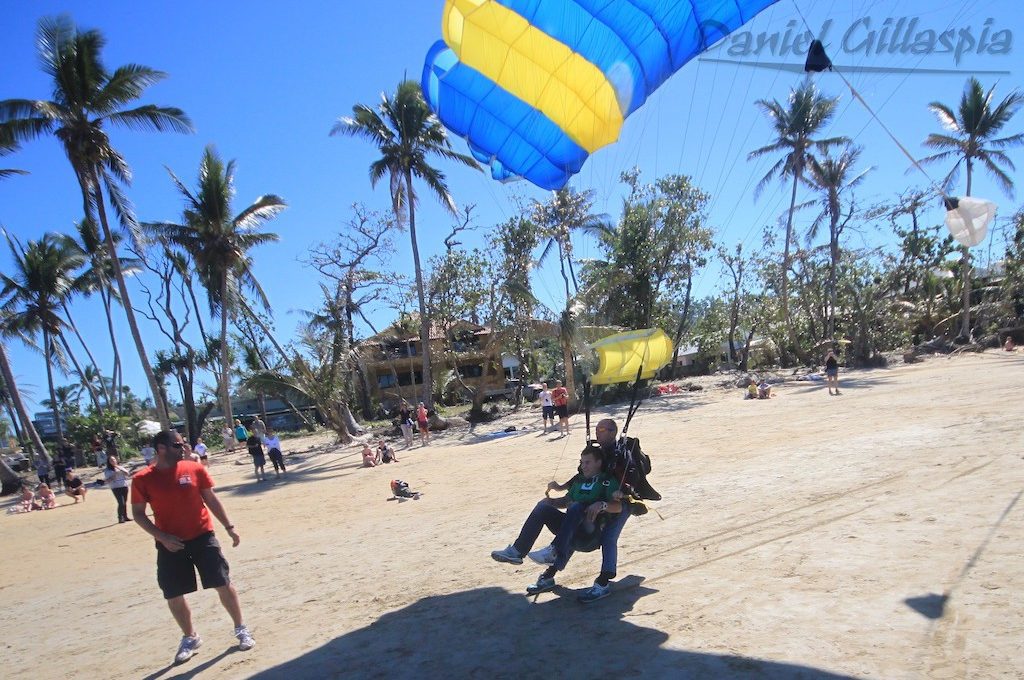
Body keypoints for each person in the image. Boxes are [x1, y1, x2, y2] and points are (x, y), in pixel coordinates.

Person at [131, 430, 254, 664]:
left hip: (202, 537)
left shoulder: (194, 469)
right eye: (178, 445)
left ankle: (241, 628)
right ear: (162, 448)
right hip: (170, 544)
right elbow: (138, 514)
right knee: (174, 594)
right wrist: (162, 537)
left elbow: (211, 499)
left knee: (223, 583)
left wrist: (229, 527)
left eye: (184, 444)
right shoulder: (142, 479)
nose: (184, 448)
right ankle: (190, 637)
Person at [491, 443, 622, 598]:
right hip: (570, 530)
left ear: (598, 463)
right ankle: (518, 551)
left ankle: (555, 551)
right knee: (542, 507)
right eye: (581, 462)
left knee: (576, 507)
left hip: (589, 534)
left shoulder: (607, 481)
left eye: (587, 462)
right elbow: (566, 500)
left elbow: (619, 507)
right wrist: (551, 502)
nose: (583, 466)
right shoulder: (579, 481)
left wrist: (603, 504)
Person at [104, 455, 132, 523]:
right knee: (121, 503)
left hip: (124, 486)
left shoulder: (120, 467)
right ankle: (120, 517)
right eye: (111, 460)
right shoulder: (107, 470)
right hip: (116, 487)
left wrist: (121, 470)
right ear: (109, 462)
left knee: (124, 502)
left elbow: (128, 474)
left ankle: (125, 516)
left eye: (114, 460)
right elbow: (107, 480)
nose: (113, 461)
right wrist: (115, 474)